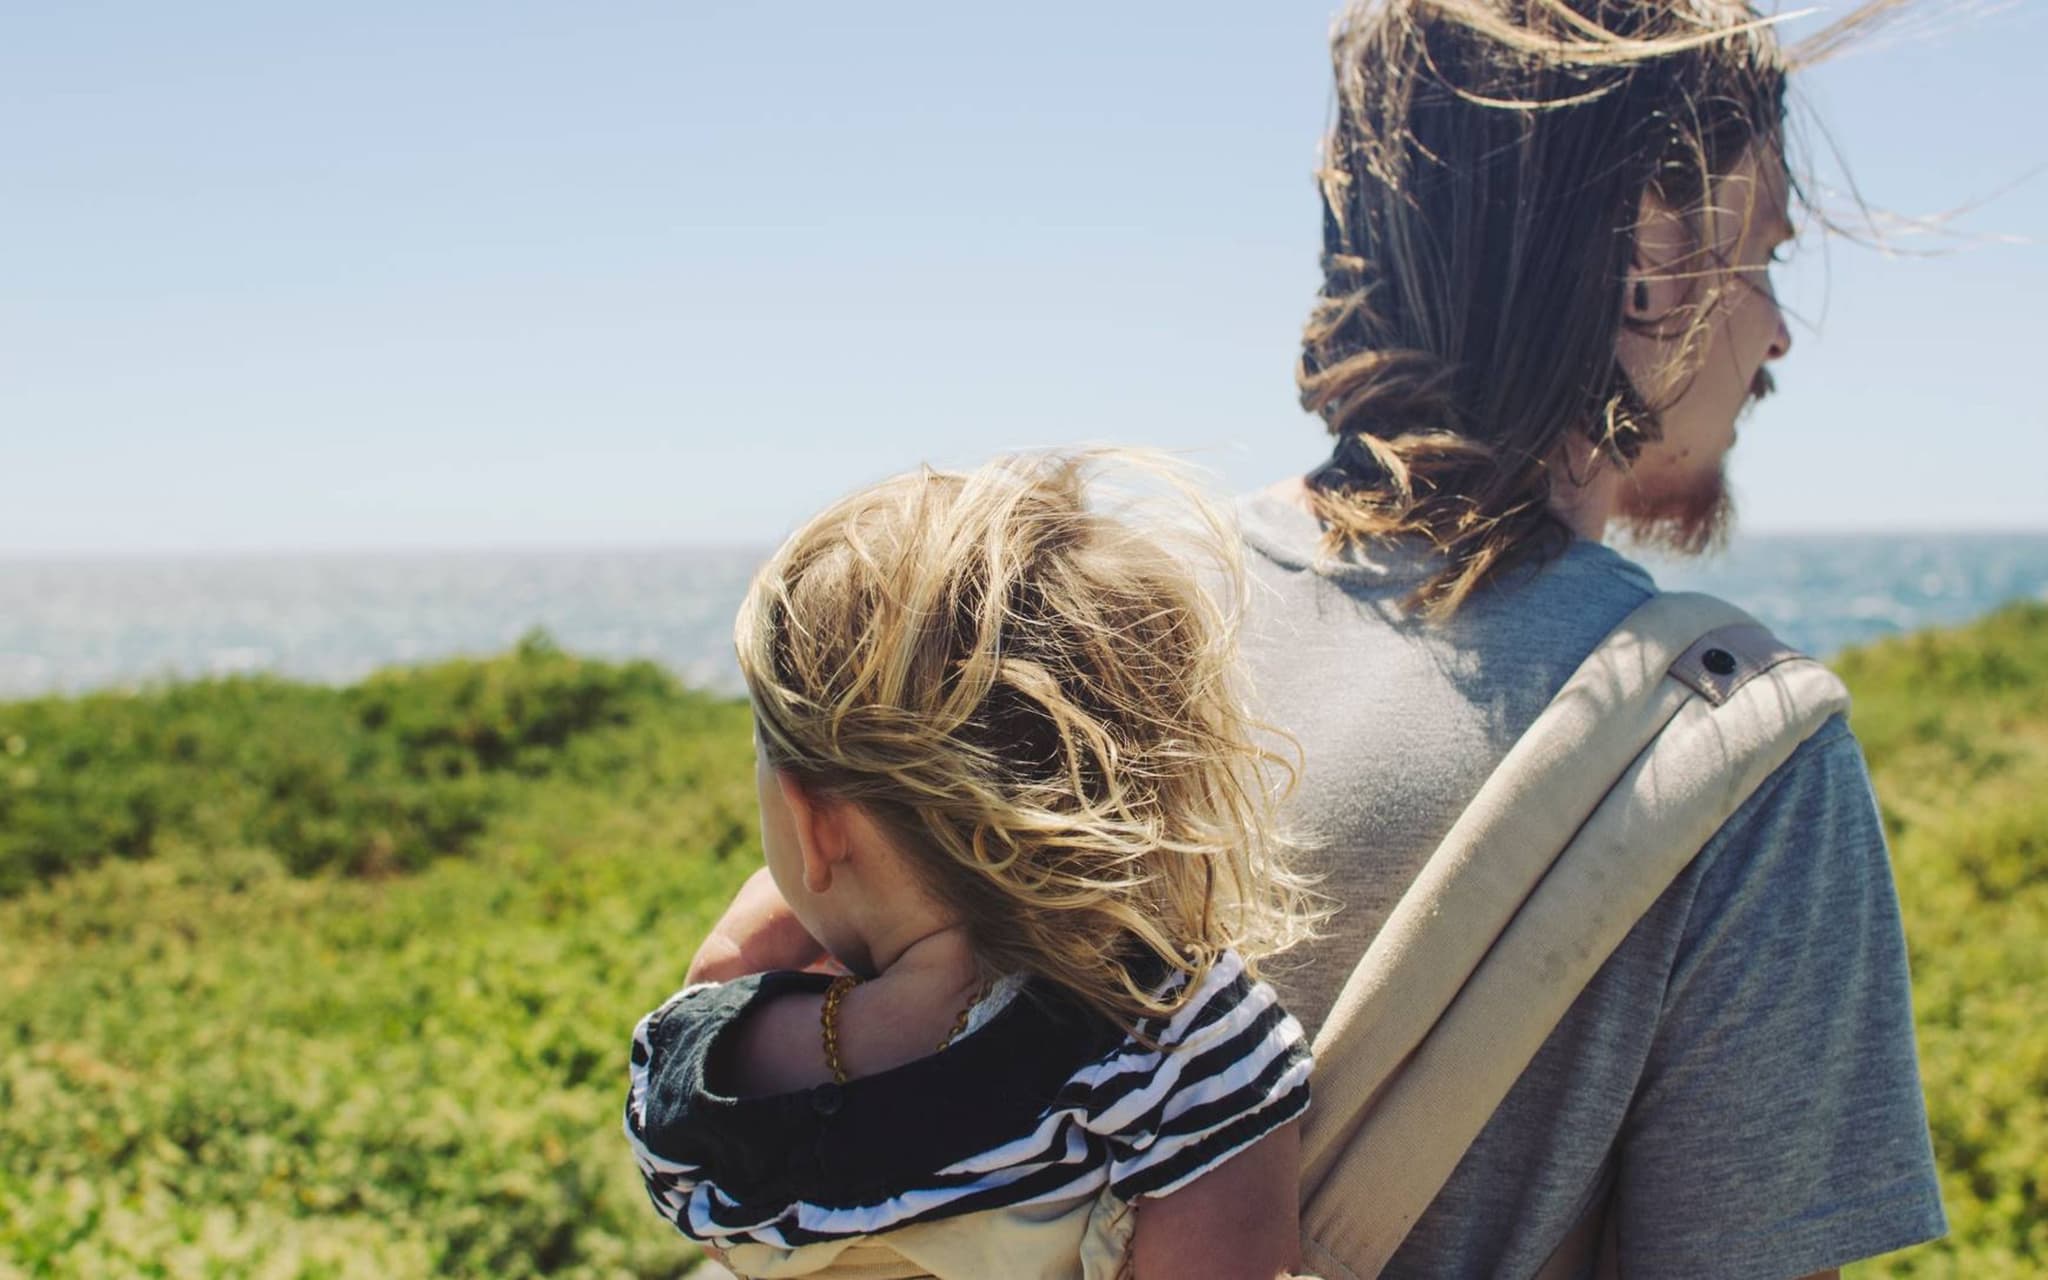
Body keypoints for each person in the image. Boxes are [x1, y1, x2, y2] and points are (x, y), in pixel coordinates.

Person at [1236, 1, 1945, 1276]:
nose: (1774, 332)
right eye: (1763, 253)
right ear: (1651, 250)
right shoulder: (1730, 752)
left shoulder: (1086, 618)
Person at [626, 454, 1322, 1280]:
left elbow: (709, 1214)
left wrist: (726, 968)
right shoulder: (1179, 1040)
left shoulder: (706, 1078)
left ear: (813, 827)